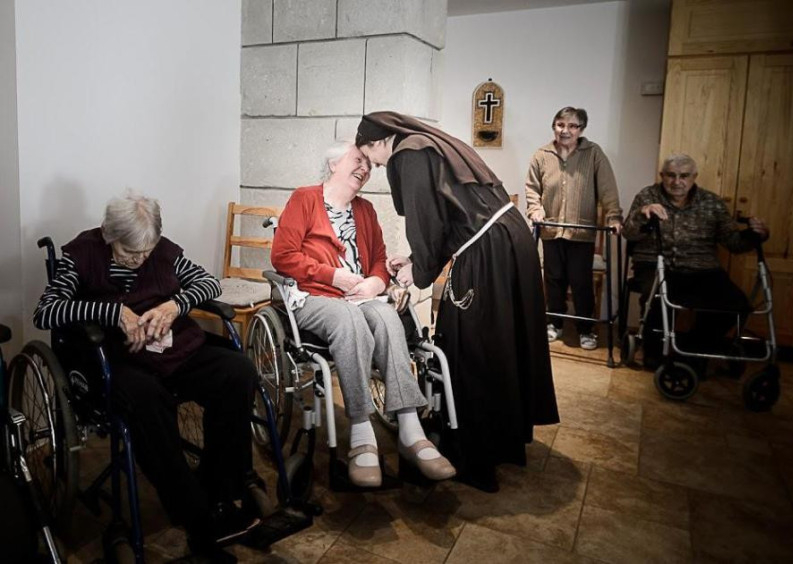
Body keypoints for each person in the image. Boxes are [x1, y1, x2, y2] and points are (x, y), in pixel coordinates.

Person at [34, 193, 260, 562]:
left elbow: (209, 283)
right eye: (129, 252)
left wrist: (175, 305)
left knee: (238, 371)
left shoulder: (163, 251)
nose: (139, 259)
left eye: (146, 251)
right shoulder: (81, 254)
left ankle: (220, 491)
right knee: (147, 401)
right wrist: (114, 313)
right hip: (118, 359)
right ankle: (195, 515)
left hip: (171, 350)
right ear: (109, 235)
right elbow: (46, 311)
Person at [355, 111, 559, 493]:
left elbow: (426, 223)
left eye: (371, 157)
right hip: (509, 241)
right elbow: (454, 218)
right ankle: (506, 442)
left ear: (380, 141)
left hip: (488, 253)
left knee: (471, 348)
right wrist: (417, 260)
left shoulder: (409, 152)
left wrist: (417, 271)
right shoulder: (433, 143)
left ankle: (476, 459)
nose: (375, 166)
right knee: (502, 344)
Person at [270, 142, 456, 488]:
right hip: (315, 296)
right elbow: (283, 256)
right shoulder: (304, 199)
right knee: (348, 319)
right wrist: (332, 276)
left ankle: (410, 429)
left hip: (360, 296)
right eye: (358, 160)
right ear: (333, 164)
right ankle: (361, 430)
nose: (365, 168)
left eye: (369, 165)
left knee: (386, 317)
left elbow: (379, 259)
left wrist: (376, 281)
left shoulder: (365, 210)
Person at [622, 153, 770, 370]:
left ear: (694, 177)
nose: (677, 181)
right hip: (655, 264)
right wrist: (642, 213)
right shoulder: (648, 196)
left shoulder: (711, 202)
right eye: (671, 175)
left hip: (702, 269)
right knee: (658, 297)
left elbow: (733, 243)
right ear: (662, 175)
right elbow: (628, 233)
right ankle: (654, 353)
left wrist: (757, 235)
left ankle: (692, 351)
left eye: (684, 176)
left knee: (736, 304)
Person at [525, 106, 623, 350]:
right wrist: (535, 209)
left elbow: (608, 189)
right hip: (551, 229)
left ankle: (586, 329)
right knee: (553, 279)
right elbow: (532, 188)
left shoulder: (593, 153)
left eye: (572, 126)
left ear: (581, 129)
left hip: (581, 232)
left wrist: (613, 216)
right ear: (554, 126)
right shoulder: (542, 155)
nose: (565, 130)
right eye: (560, 125)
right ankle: (554, 323)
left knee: (581, 282)